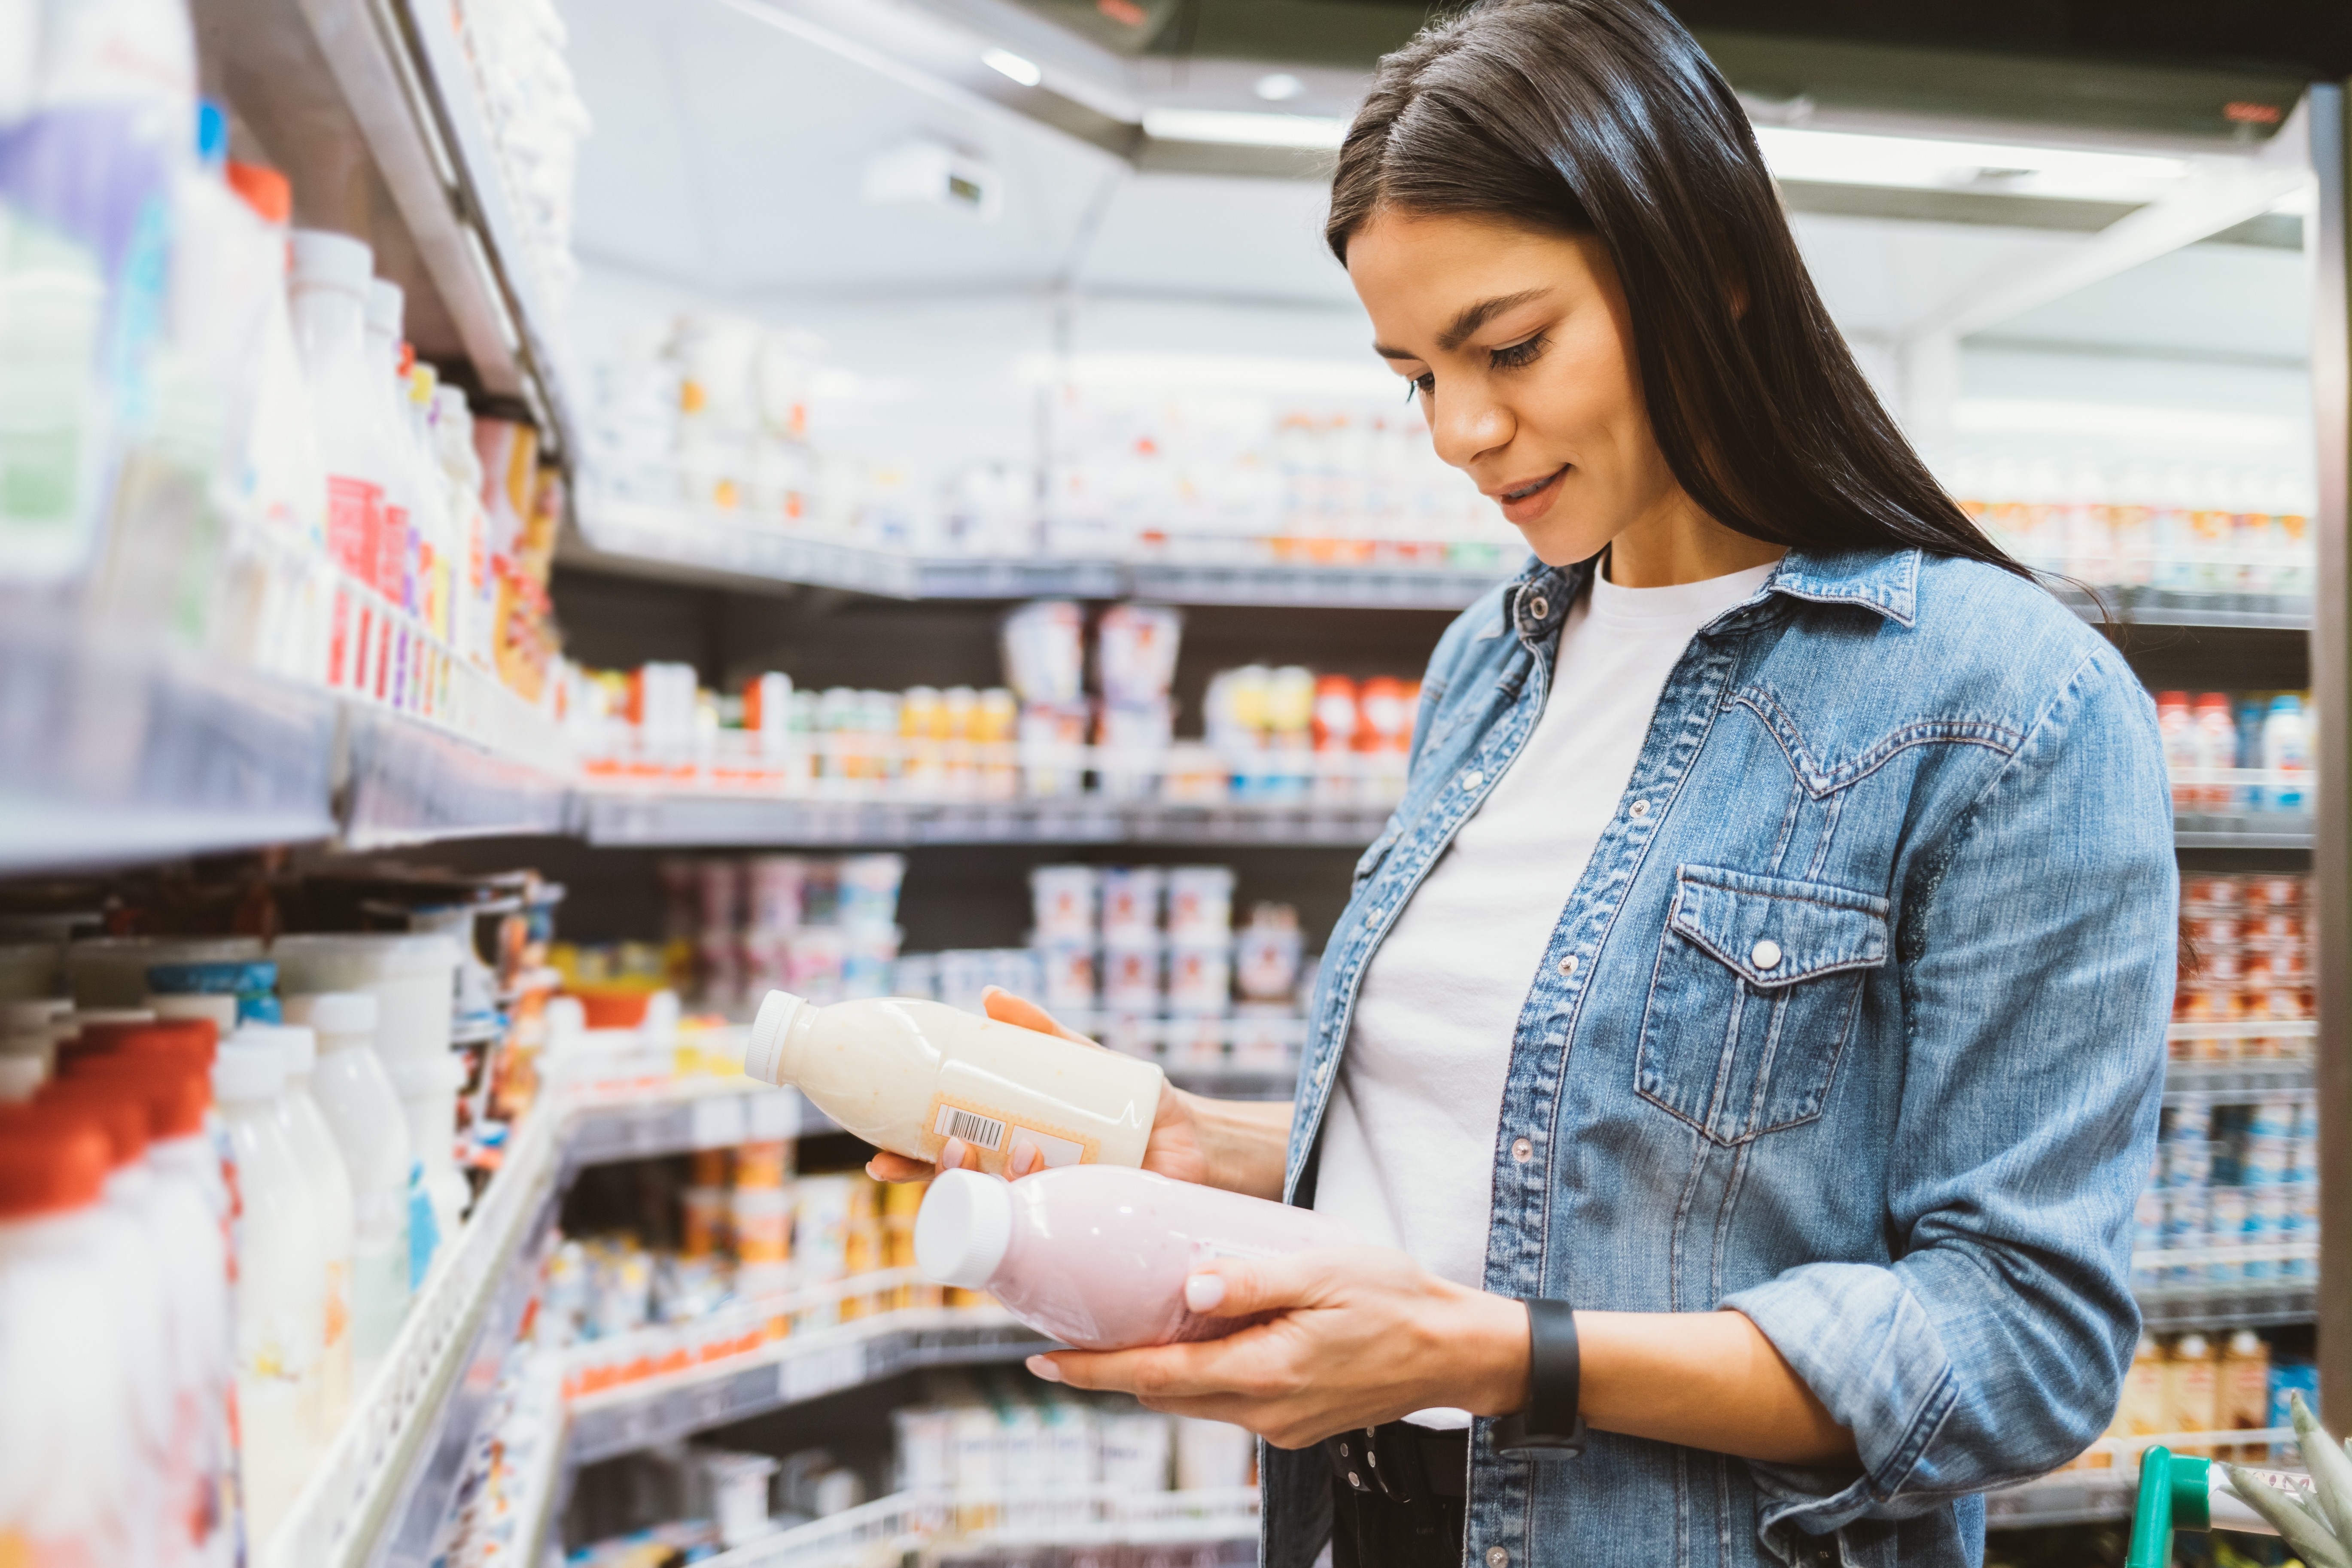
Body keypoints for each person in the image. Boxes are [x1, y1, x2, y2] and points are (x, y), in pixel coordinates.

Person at [872, 1, 2176, 1562]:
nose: (1464, 434)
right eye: (1414, 375)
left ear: (1716, 275)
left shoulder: (2008, 702)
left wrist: (1497, 1355)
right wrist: (1197, 1148)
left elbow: (2023, 1343)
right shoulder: (1485, 670)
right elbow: (1538, 1143)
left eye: (1509, 347)